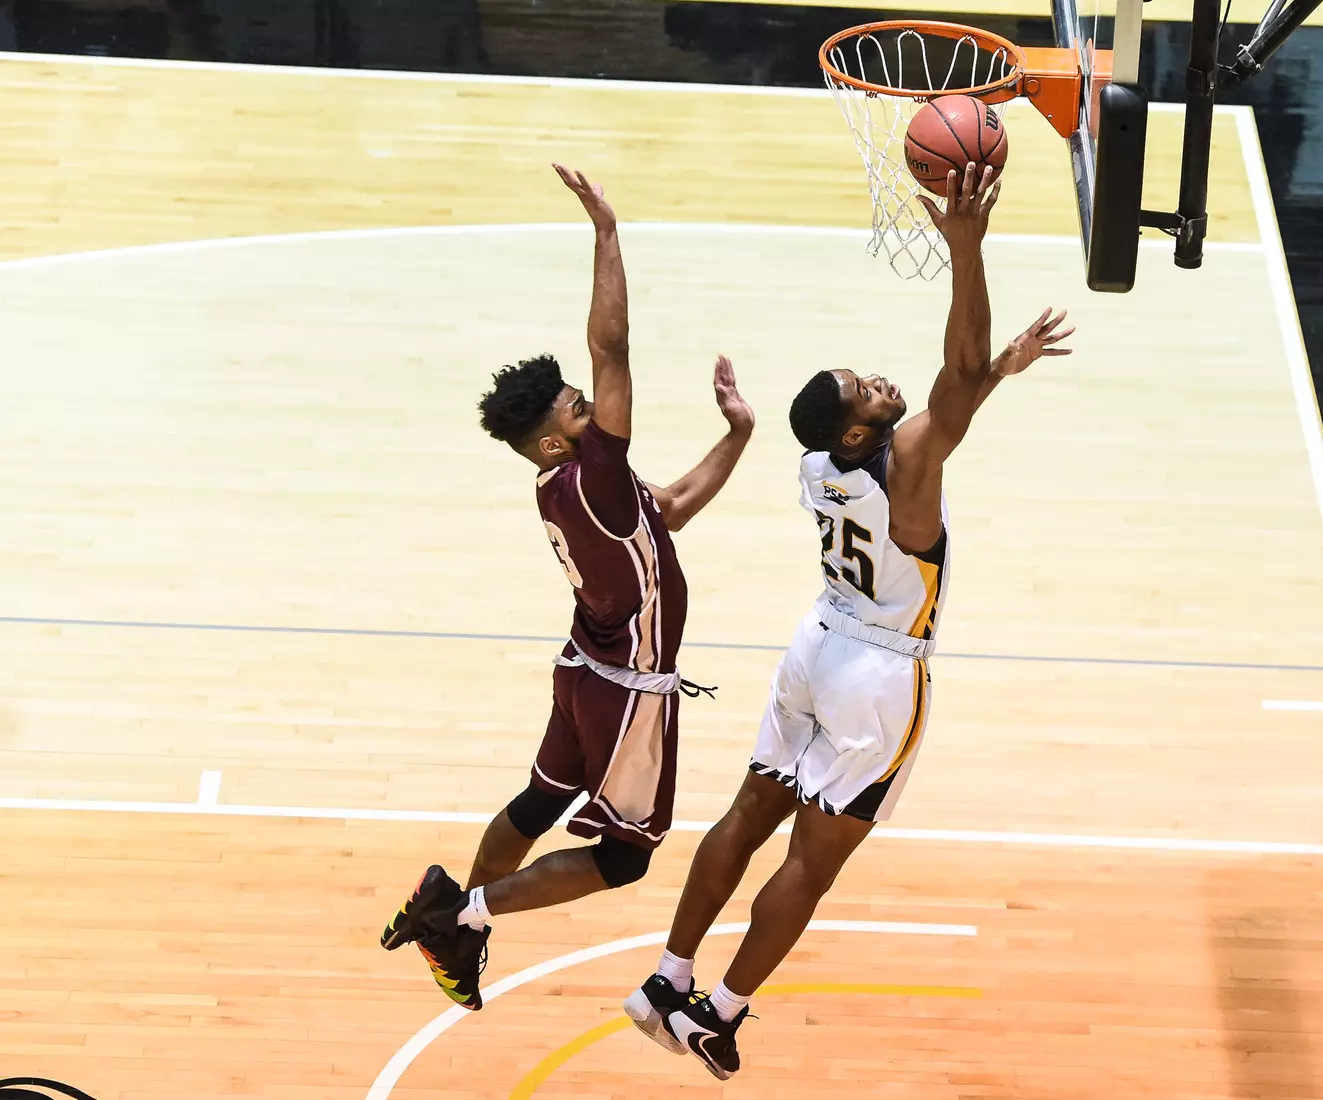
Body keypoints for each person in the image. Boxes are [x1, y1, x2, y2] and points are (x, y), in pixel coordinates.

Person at [624, 163, 1074, 1078]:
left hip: (814, 646)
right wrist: (966, 247)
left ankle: (666, 981)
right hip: (876, 677)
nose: (876, 381)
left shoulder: (818, 467)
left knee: (750, 808)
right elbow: (948, 385)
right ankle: (719, 1012)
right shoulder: (902, 467)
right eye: (863, 389)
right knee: (814, 859)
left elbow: (946, 404)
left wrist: (996, 374)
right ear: (861, 433)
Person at [379, 164, 756, 1011]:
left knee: (540, 797)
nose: (596, 414)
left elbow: (677, 510)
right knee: (623, 857)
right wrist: (607, 233)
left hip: (582, 667)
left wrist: (738, 433)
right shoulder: (595, 476)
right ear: (554, 443)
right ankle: (457, 913)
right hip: (625, 693)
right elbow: (611, 347)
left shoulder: (570, 485)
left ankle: (458, 922)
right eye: (579, 413)